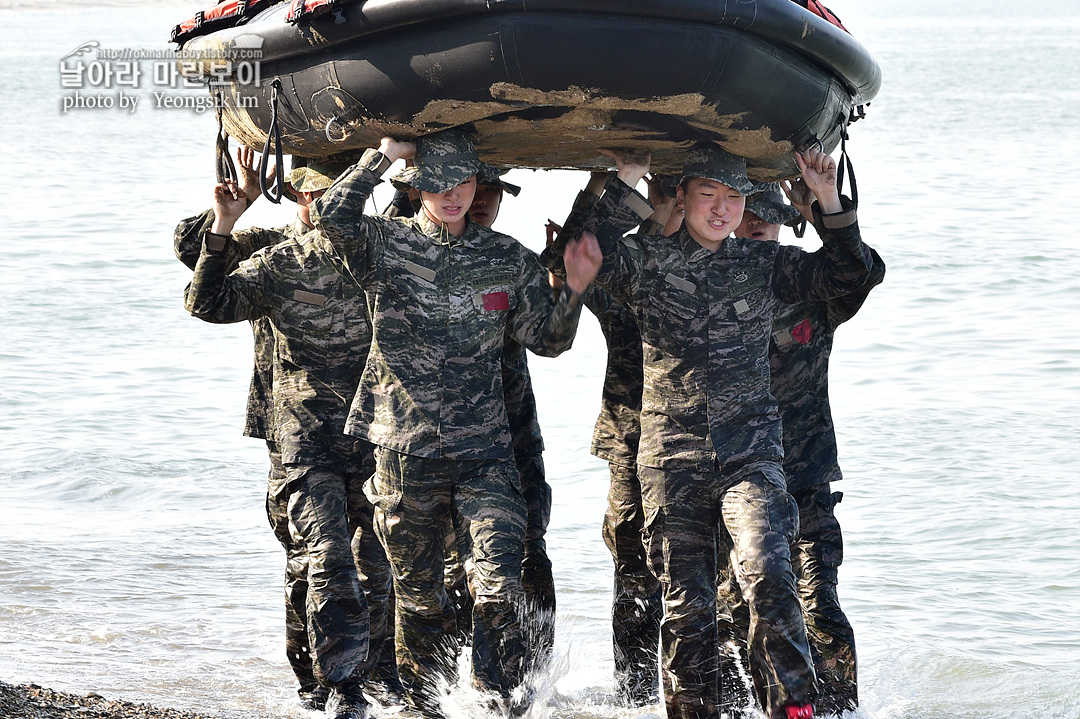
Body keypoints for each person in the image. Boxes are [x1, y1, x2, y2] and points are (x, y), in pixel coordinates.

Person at [559, 143, 872, 719]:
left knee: (771, 578)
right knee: (687, 608)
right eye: (709, 195)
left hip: (750, 456)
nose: (723, 209)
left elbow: (852, 272)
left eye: (733, 197)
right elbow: (581, 252)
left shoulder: (764, 265)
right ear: (682, 197)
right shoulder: (647, 261)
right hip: (671, 459)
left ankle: (793, 709)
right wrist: (625, 181)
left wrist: (828, 201)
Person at [309, 129, 602, 718]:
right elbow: (330, 218)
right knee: (420, 601)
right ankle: (425, 708)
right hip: (403, 448)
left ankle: (495, 703)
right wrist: (383, 157)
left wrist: (572, 289)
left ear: (476, 186)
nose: (451, 195)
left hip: (485, 453)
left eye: (462, 183)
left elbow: (548, 341)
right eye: (437, 183)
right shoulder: (383, 245)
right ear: (418, 187)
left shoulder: (505, 257)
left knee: (498, 582)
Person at [182, 158, 405, 719]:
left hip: (372, 434)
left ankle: (369, 674)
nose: (328, 210)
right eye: (317, 198)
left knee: (373, 565)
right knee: (322, 557)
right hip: (302, 439)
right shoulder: (277, 254)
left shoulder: (379, 250)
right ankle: (335, 684)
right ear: (300, 197)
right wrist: (228, 217)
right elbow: (203, 296)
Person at [713, 182, 885, 716]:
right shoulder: (710, 288)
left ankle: (840, 711)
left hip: (804, 476)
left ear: (787, 223)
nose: (760, 224)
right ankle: (744, 707)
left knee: (818, 605)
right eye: (750, 215)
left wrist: (829, 214)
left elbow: (864, 271)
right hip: (733, 478)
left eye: (772, 215)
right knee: (729, 607)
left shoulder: (813, 288)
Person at [541, 172, 678, 708]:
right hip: (630, 436)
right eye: (658, 200)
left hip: (698, 445)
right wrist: (600, 190)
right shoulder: (627, 271)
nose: (664, 211)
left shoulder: (717, 264)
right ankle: (637, 692)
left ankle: (714, 688)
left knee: (701, 567)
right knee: (630, 559)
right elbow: (567, 264)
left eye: (670, 200)